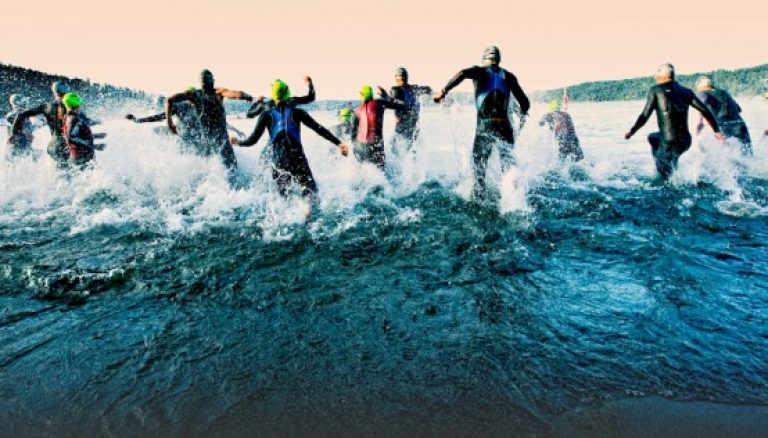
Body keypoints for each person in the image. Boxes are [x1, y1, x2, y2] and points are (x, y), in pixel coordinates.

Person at [433, 45, 530, 199]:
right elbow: (525, 104)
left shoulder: (481, 72)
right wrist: (519, 112)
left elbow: (463, 73)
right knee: (509, 169)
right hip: (506, 129)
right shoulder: (509, 77)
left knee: (479, 171)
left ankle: (479, 201)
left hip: (485, 127)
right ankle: (513, 201)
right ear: (498, 60)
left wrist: (443, 91)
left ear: (485, 59)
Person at [231, 80, 349, 202]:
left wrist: (238, 142)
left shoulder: (265, 113)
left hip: (278, 159)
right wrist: (339, 143)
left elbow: (252, 139)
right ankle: (305, 211)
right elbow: (318, 128)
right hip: (297, 156)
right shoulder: (297, 112)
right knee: (310, 191)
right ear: (288, 93)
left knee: (283, 197)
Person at [624, 63, 723, 180]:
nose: (655, 78)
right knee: (653, 137)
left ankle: (664, 169)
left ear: (661, 76)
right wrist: (716, 131)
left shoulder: (656, 90)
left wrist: (632, 131)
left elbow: (644, 116)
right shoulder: (687, 91)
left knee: (663, 178)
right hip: (685, 141)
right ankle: (670, 166)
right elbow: (705, 111)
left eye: (656, 76)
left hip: (669, 143)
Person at [165, 69, 254, 178]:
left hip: (208, 144)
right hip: (222, 143)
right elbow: (233, 93)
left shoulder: (194, 95)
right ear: (212, 80)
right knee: (232, 171)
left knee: (210, 173)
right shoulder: (218, 92)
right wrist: (245, 95)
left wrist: (170, 124)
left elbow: (169, 100)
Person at [9, 81, 96, 166]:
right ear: (66, 90)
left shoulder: (47, 106)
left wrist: (15, 134)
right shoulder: (70, 106)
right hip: (66, 146)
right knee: (77, 173)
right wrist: (96, 122)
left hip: (54, 146)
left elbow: (21, 115)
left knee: (60, 174)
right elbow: (85, 122)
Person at [350, 85, 406, 170]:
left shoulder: (357, 110)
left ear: (361, 95)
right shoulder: (379, 103)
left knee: (360, 171)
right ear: (372, 94)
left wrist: (355, 147)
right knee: (380, 172)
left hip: (359, 146)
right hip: (375, 145)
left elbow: (352, 133)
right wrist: (386, 96)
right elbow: (401, 105)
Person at [377, 67, 432, 151]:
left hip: (402, 124)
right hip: (414, 125)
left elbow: (398, 104)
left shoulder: (395, 90)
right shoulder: (414, 89)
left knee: (393, 149)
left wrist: (386, 97)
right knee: (412, 150)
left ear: (396, 78)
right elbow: (428, 89)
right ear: (406, 77)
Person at [694, 76, 752, 155]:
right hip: (740, 125)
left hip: (724, 127)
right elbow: (738, 109)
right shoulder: (724, 93)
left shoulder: (702, 93)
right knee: (748, 155)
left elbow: (702, 105)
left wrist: (700, 122)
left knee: (726, 157)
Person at [246, 76, 315, 119]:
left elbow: (249, 114)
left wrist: (257, 102)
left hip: (274, 140)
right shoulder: (292, 101)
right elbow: (311, 98)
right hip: (291, 138)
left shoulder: (266, 105)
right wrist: (310, 85)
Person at [62, 93, 100, 168]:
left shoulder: (70, 117)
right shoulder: (73, 119)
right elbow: (71, 137)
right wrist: (92, 145)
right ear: (77, 106)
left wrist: (96, 136)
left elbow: (78, 135)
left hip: (81, 157)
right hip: (81, 158)